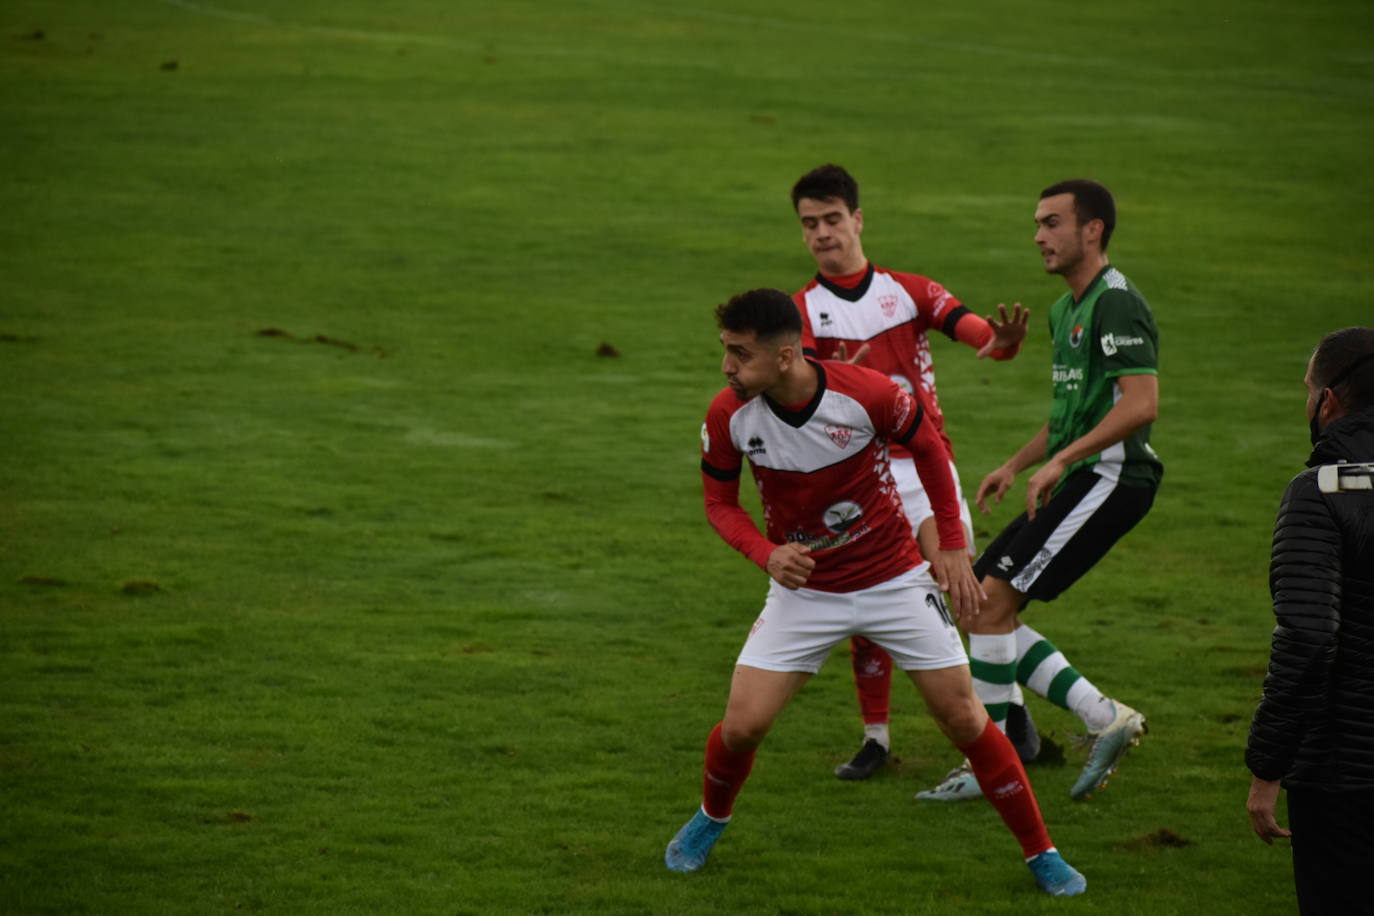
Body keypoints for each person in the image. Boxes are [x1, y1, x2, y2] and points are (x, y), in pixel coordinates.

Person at [663, 288, 1086, 897]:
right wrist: (766, 553)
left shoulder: (867, 394)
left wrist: (950, 542)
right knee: (742, 727)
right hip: (806, 594)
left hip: (894, 581)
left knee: (964, 717)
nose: (727, 366)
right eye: (726, 350)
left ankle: (1042, 853)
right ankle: (711, 817)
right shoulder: (728, 415)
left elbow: (930, 449)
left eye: (740, 353)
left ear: (785, 356)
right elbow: (719, 504)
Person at [788, 163, 1037, 781]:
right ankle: (876, 738)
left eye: (832, 219)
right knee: (865, 598)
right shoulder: (801, 313)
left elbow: (984, 340)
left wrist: (1004, 340)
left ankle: (1009, 715)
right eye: (809, 224)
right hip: (858, 479)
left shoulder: (911, 291)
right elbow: (799, 400)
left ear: (858, 220)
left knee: (965, 594)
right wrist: (834, 379)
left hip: (925, 469)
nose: (822, 233)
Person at [918, 179, 1160, 802]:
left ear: (1092, 230)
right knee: (977, 601)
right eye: (1037, 223)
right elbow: (1072, 415)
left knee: (990, 603)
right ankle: (1102, 717)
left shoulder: (1116, 302)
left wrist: (1062, 463)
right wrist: (1017, 463)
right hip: (1082, 474)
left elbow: (1141, 404)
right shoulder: (1064, 310)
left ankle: (991, 764)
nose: (1038, 236)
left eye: (1052, 223)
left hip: (1112, 478)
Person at [1245, 327, 1374, 916]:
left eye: (1307, 389)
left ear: (1329, 401)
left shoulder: (1320, 491)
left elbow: (1309, 637)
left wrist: (1268, 765)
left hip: (1344, 776)